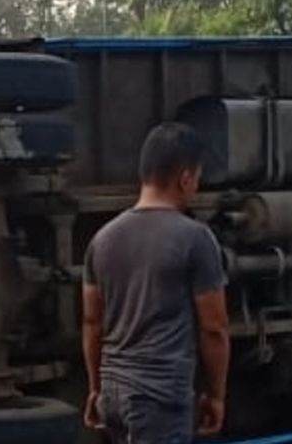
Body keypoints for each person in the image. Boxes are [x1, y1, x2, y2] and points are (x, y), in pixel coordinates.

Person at [82, 121, 230, 442]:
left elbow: (93, 322)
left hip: (114, 394)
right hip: (159, 396)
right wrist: (216, 396)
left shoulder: (102, 239)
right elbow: (214, 327)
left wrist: (96, 389)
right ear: (185, 178)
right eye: (197, 179)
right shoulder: (195, 238)